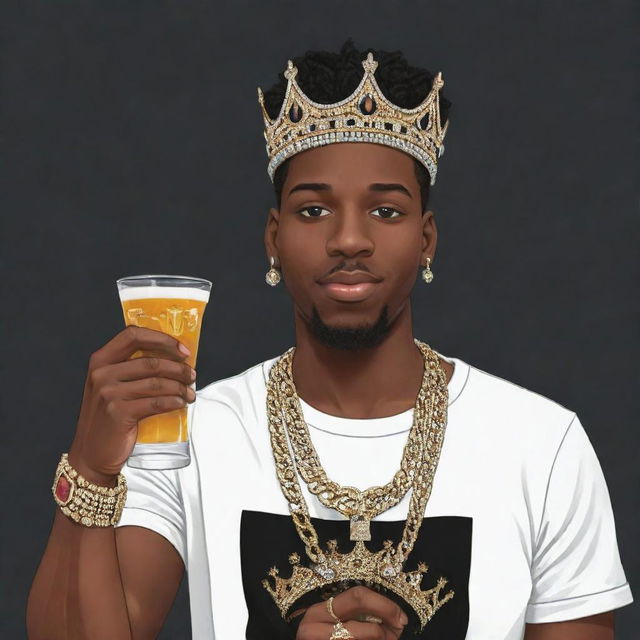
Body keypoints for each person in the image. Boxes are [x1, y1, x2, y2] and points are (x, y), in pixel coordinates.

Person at [27, 38, 633, 640]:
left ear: (427, 240)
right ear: (273, 238)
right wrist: (90, 466)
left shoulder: (542, 444)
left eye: (386, 212)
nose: (348, 240)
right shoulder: (196, 430)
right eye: (314, 210)